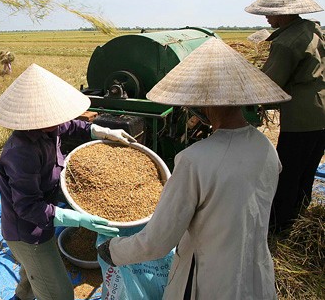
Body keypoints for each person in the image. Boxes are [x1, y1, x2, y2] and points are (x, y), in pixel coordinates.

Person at [97, 38, 291, 299]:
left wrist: (114, 250)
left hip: (208, 280)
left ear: (204, 103)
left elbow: (157, 243)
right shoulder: (265, 147)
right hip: (255, 272)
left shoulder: (194, 159)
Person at [0, 63, 136, 300]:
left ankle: (22, 296)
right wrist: (76, 218)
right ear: (33, 118)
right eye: (54, 116)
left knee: (32, 274)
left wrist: (100, 131)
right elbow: (28, 208)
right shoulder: (21, 153)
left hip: (42, 218)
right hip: (28, 232)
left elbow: (71, 127)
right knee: (59, 293)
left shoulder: (49, 127)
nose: (60, 120)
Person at [245, 0, 325, 232]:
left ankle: (277, 226)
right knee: (307, 169)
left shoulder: (286, 42)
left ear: (285, 13)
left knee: (287, 172)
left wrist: (243, 97)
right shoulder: (312, 28)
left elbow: (268, 86)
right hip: (321, 110)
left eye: (269, 12)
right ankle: (300, 217)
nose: (266, 17)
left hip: (301, 117)